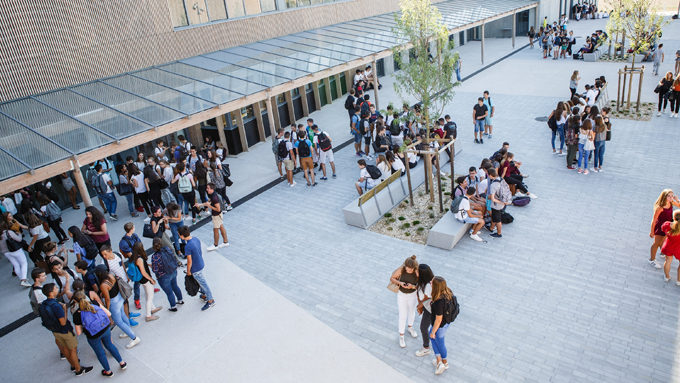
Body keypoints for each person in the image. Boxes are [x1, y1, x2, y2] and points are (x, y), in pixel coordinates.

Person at [39, 283, 93, 376]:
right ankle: (78, 369)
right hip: (65, 331)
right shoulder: (56, 306)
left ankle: (73, 365)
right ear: (51, 292)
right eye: (55, 288)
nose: (57, 289)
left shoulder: (44, 304)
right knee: (73, 350)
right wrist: (64, 309)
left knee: (65, 349)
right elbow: (63, 322)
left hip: (55, 331)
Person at [71, 291, 127, 377]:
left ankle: (108, 371)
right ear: (85, 297)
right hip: (105, 328)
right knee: (110, 345)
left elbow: (79, 332)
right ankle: (122, 363)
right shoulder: (94, 303)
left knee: (100, 353)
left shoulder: (76, 315)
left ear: (75, 301)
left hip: (93, 336)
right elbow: (108, 313)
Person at [94, 268, 141, 348]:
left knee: (119, 322)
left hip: (113, 303)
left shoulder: (103, 285)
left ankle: (134, 338)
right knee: (123, 315)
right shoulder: (111, 275)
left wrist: (107, 309)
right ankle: (128, 330)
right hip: (119, 298)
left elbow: (107, 299)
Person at [179, 226, 215, 311]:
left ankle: (210, 300)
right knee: (200, 281)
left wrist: (188, 271)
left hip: (195, 269)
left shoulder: (188, 246)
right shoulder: (195, 239)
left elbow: (189, 261)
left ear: (181, 236)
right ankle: (204, 294)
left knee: (203, 284)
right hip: (200, 263)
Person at [429, 276, 457, 375]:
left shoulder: (438, 302)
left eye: (432, 282)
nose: (430, 283)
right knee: (435, 339)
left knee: (438, 340)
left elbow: (438, 319)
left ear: (436, 287)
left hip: (440, 326)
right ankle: (439, 361)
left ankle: (443, 362)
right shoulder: (448, 292)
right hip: (447, 323)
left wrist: (433, 331)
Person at [390, 255, 419, 348]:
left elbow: (421, 285)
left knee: (411, 312)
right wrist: (400, 283)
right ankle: (401, 335)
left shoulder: (417, 272)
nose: (409, 270)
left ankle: (410, 327)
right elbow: (392, 278)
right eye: (408, 268)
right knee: (403, 315)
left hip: (413, 295)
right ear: (405, 265)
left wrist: (412, 286)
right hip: (401, 295)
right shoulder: (401, 269)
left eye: (411, 269)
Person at [150, 237, 184, 311]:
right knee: (175, 286)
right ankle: (180, 300)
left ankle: (173, 306)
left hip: (163, 276)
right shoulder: (167, 249)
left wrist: (151, 266)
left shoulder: (154, 257)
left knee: (169, 292)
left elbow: (155, 270)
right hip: (173, 271)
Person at [131, 242, 162, 322]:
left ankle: (153, 308)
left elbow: (140, 266)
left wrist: (147, 264)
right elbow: (143, 272)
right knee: (150, 296)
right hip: (145, 279)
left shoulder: (134, 256)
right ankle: (148, 315)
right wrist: (151, 279)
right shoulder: (140, 259)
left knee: (147, 294)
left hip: (142, 280)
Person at [651, 190, 680, 268]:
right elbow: (654, 220)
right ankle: (652, 259)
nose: (671, 198)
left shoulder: (671, 202)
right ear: (664, 196)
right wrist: (652, 232)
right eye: (669, 196)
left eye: (672, 196)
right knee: (656, 243)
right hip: (660, 227)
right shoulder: (660, 208)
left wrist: (677, 199)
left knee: (664, 240)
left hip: (667, 226)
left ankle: (662, 252)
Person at [197, 183, 229, 251]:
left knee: (215, 230)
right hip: (218, 215)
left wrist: (209, 206)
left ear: (212, 189)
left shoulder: (214, 198)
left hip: (216, 215)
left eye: (208, 188)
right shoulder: (212, 195)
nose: (206, 189)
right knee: (221, 227)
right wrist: (200, 204)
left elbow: (218, 209)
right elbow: (208, 203)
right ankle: (225, 242)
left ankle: (215, 245)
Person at [119, 222, 143, 310]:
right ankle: (137, 300)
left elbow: (140, 244)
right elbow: (130, 255)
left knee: (145, 274)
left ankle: (148, 285)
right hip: (135, 261)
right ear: (131, 229)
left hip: (139, 257)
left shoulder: (134, 235)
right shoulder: (124, 242)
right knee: (137, 281)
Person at [1, 221, 30, 287]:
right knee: (24, 263)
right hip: (15, 250)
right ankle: (24, 279)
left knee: (16, 265)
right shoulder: (9, 232)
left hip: (6, 252)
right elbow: (19, 239)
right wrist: (19, 234)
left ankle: (22, 280)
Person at [415, 264, 435, 357]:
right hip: (428, 308)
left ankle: (426, 348)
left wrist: (420, 305)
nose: (416, 272)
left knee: (424, 328)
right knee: (426, 328)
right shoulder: (427, 281)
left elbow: (426, 298)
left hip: (431, 310)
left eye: (417, 271)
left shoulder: (428, 286)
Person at [487, 168, 510, 238]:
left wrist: (502, 202)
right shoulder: (501, 179)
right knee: (494, 216)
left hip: (496, 205)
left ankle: (499, 233)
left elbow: (492, 198)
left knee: (498, 220)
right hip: (502, 202)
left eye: (488, 175)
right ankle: (491, 228)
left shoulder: (493, 185)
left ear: (491, 175)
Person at [662, 211, 680, 283]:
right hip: (679, 248)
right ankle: (678, 281)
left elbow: (663, 229)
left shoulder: (667, 224)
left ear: (673, 218)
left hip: (668, 246)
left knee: (668, 261)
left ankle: (667, 277)